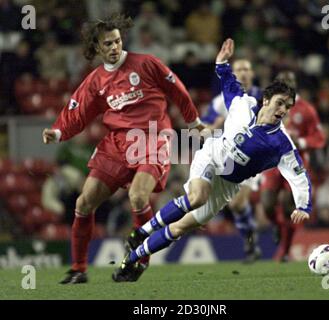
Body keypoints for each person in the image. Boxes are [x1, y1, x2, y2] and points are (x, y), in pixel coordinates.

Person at [112, 39, 311, 282]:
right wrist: (221, 62)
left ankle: (130, 260)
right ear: (266, 100)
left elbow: (299, 176)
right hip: (212, 156)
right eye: (280, 103)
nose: (283, 110)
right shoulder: (242, 105)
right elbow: (228, 84)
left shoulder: (281, 143)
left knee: (180, 227)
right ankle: (141, 231)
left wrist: (303, 205)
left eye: (288, 107)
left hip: (228, 184)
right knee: (197, 197)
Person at [42, 13, 204, 284]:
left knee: (138, 197)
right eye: (108, 43)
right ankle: (79, 269)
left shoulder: (146, 63)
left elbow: (178, 91)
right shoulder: (95, 80)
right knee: (83, 202)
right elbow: (78, 112)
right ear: (97, 48)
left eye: (117, 41)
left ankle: (139, 262)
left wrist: (194, 121)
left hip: (152, 138)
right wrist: (58, 132)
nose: (114, 47)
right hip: (117, 143)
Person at [260, 71, 325, 262]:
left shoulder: (306, 110)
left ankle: (286, 251)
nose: (286, 85)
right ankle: (278, 227)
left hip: (295, 163)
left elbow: (319, 138)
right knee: (267, 205)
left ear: (295, 84)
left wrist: (301, 141)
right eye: (282, 82)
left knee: (290, 205)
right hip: (272, 162)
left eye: (290, 82)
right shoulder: (268, 106)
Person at [201, 58, 262, 262]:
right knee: (234, 206)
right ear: (232, 74)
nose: (243, 73)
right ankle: (250, 239)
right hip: (229, 157)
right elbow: (202, 132)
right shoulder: (220, 102)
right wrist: (216, 125)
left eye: (246, 68)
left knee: (237, 202)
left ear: (252, 73)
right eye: (239, 69)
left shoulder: (264, 97)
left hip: (254, 157)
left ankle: (252, 241)